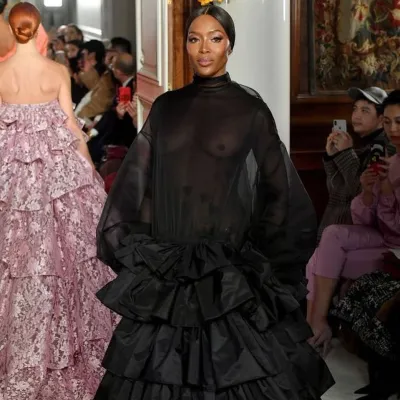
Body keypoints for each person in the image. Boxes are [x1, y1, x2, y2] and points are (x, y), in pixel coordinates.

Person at [94, 4, 334, 399]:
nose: (204, 48)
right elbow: (140, 181)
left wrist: (257, 257)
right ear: (186, 46)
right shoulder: (167, 107)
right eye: (195, 39)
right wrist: (141, 246)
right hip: (169, 264)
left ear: (229, 46)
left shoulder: (250, 110)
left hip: (226, 270)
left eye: (215, 38)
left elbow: (280, 191)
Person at [0, 3, 116, 399]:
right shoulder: (56, 71)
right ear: (37, 30)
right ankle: (62, 347)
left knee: (18, 260)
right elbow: (71, 128)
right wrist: (91, 175)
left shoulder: (1, 73)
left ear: (12, 28)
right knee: (65, 260)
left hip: (13, 180)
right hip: (56, 178)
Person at [307, 89, 400, 357]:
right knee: (331, 236)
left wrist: (382, 193)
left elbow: (392, 226)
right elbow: (358, 212)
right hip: (381, 235)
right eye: (389, 122)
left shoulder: (379, 152)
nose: (393, 129)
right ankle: (316, 325)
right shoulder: (388, 160)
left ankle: (315, 326)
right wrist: (368, 192)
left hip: (393, 245)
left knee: (320, 257)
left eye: (398, 122)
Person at [318, 86, 395, 241]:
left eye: (365, 111)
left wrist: (345, 153)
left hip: (353, 238)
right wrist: (332, 157)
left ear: (382, 119)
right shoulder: (361, 146)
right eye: (355, 109)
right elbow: (336, 192)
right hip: (334, 234)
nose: (356, 115)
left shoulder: (383, 149)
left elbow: (362, 193)